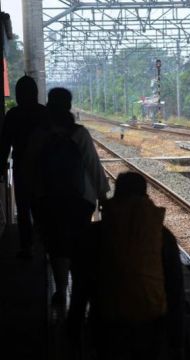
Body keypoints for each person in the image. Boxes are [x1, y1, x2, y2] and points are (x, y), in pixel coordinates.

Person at [68, 172, 184, 359]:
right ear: (145, 196)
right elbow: (175, 290)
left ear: (116, 195)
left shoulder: (94, 234)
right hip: (151, 325)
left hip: (107, 324)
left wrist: (73, 331)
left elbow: (80, 288)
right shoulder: (162, 235)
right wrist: (177, 340)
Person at [33, 87, 109, 305]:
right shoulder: (79, 133)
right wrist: (103, 194)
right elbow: (93, 165)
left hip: (49, 200)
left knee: (56, 244)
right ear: (69, 106)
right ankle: (80, 293)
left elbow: (30, 166)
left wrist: (35, 195)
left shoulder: (40, 134)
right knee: (78, 245)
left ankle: (61, 288)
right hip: (81, 200)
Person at [0, 76, 47, 258]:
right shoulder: (44, 113)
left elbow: (4, 145)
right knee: (41, 208)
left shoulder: (13, 115)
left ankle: (27, 246)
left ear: (18, 95)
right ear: (35, 93)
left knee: (23, 209)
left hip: (21, 169)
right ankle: (43, 244)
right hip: (44, 170)